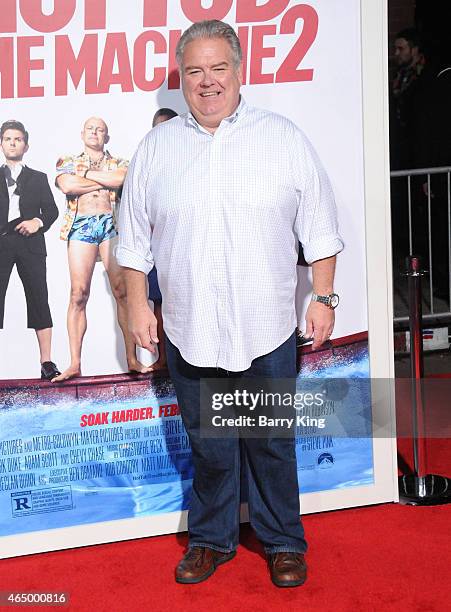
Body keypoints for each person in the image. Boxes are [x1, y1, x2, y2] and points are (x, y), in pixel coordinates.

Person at [117, 20, 343, 588]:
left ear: (239, 72)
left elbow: (318, 224)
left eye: (218, 68)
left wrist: (323, 296)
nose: (207, 81)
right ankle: (212, 539)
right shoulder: (157, 149)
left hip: (265, 325)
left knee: (268, 441)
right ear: (182, 79)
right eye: (194, 70)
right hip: (191, 325)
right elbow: (132, 242)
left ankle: (284, 542)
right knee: (210, 443)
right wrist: (139, 307)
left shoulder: (282, 136)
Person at [53, 116, 152, 382]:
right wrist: (102, 180)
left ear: (106, 136)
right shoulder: (67, 160)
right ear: (82, 133)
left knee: (122, 292)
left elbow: (123, 181)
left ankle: (132, 359)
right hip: (81, 226)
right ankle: (74, 363)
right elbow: (67, 184)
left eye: (100, 130)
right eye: (90, 129)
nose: (95, 133)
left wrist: (84, 176)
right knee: (78, 294)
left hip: (112, 226)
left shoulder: (119, 162)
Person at [0, 120, 60, 381]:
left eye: (18, 139)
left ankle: (46, 361)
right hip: (1, 242)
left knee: (39, 297)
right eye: (8, 139)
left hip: (31, 245)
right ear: (1, 144)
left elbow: (52, 210)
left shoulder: (38, 178)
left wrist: (36, 222)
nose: (13, 143)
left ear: (26, 144)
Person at [146, 108, 179, 371]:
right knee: (159, 304)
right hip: (158, 247)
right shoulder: (145, 164)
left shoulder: (195, 158)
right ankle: (164, 359)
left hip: (188, 248)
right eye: (159, 128)